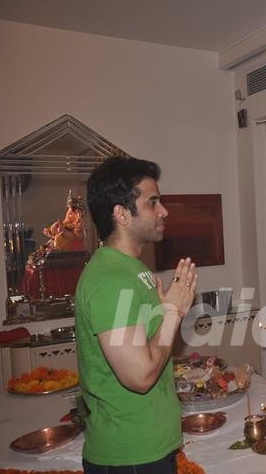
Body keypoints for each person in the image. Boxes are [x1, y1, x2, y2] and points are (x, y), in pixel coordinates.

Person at [75, 156, 198, 473]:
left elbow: (148, 343)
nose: (164, 211)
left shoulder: (134, 270)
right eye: (152, 202)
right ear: (121, 214)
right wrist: (172, 311)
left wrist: (165, 312)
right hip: (130, 457)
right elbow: (140, 376)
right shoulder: (110, 279)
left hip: (149, 448)